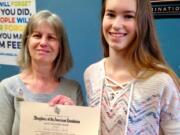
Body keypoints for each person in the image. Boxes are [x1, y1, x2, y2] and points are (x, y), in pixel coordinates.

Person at [84, 0, 180, 135]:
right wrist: (70, 115)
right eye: (111, 14)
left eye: (128, 16)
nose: (116, 25)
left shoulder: (161, 82)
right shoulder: (91, 74)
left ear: (142, 22)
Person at [0, 10, 84, 135]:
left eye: (51, 37)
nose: (43, 43)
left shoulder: (73, 89)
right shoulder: (7, 88)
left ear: (61, 46)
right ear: (27, 41)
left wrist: (74, 118)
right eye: (37, 36)